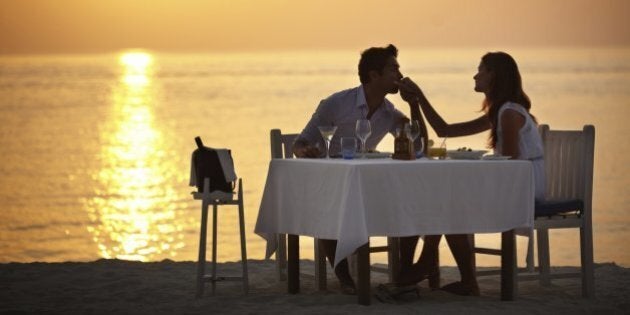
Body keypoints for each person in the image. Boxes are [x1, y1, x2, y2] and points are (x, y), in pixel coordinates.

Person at [395, 51, 545, 296]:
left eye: (481, 70)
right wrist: (418, 98)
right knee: (446, 201)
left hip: (523, 187)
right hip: (514, 181)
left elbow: (510, 164)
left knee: (449, 203)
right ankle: (446, 270)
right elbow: (444, 130)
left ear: (493, 76)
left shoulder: (509, 113)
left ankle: (432, 264)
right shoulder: (499, 112)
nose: (475, 75)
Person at [293, 44, 428, 294]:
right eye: (393, 69)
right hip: (331, 183)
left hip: (369, 187)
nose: (400, 75)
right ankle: (345, 278)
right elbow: (300, 143)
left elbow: (418, 145)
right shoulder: (336, 103)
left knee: (412, 202)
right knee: (331, 208)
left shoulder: (390, 113)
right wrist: (305, 151)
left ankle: (402, 275)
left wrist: (414, 105)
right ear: (374, 75)